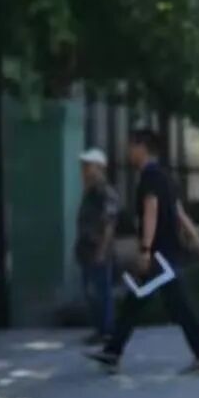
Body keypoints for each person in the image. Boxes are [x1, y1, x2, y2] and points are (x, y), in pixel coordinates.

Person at [86, 127, 199, 375]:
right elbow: (179, 213)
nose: (128, 151)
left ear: (142, 148)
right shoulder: (165, 177)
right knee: (135, 302)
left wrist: (146, 249)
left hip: (159, 257)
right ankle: (112, 352)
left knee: (180, 307)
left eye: (131, 146)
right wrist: (197, 240)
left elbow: (151, 209)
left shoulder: (150, 177)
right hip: (165, 257)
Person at [74, 148, 120, 346]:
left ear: (100, 167)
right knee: (91, 293)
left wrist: (102, 250)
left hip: (98, 250)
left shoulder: (105, 192)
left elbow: (109, 223)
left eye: (88, 166)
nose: (84, 170)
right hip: (87, 250)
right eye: (83, 166)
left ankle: (107, 331)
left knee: (101, 292)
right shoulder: (89, 191)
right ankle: (100, 329)